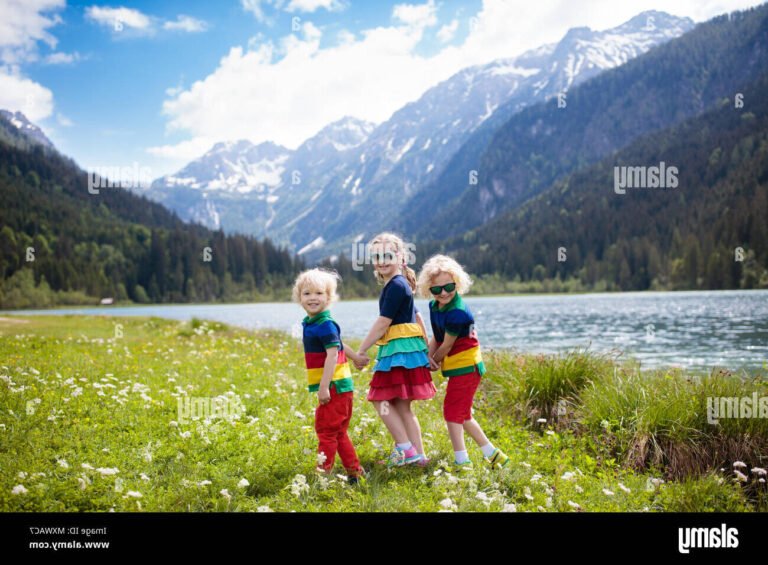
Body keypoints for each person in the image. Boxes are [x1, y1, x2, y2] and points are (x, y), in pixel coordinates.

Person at [417, 254, 510, 471]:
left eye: (449, 286)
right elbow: (437, 337)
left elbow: (447, 346)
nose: (444, 293)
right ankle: (494, 455)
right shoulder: (434, 306)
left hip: (467, 367)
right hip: (456, 366)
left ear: (457, 282)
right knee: (463, 414)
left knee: (452, 413)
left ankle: (462, 461)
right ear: (429, 290)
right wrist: (426, 358)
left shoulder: (458, 312)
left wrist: (433, 362)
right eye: (436, 289)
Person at [355, 233, 435, 467]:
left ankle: (405, 449)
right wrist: (426, 350)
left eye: (388, 255)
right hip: (407, 351)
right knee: (401, 405)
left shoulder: (396, 285)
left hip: (399, 352)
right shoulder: (401, 284)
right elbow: (418, 316)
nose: (382, 260)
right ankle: (419, 457)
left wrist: (361, 350)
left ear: (401, 258)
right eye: (377, 257)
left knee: (379, 399)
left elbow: (383, 322)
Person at [293, 268, 367, 483]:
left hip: (334, 386)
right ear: (299, 297)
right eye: (307, 293)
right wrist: (355, 357)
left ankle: (322, 475)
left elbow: (333, 355)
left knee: (325, 431)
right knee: (338, 432)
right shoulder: (315, 322)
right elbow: (339, 343)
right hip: (339, 386)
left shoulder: (324, 323)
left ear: (329, 297)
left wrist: (324, 387)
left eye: (319, 293)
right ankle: (355, 472)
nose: (313, 298)